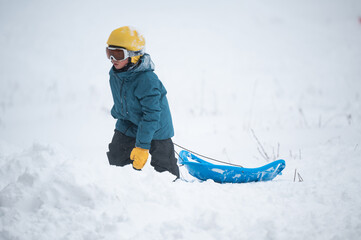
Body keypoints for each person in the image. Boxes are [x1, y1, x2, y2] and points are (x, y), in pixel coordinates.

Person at [106, 26, 180, 179]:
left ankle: (172, 192)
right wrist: (117, 111)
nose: (113, 59)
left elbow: (152, 115)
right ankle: (124, 188)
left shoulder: (147, 80)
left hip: (156, 125)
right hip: (129, 122)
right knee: (117, 157)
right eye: (109, 53)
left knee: (164, 168)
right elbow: (122, 98)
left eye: (118, 54)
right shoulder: (115, 75)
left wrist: (142, 146)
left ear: (134, 55)